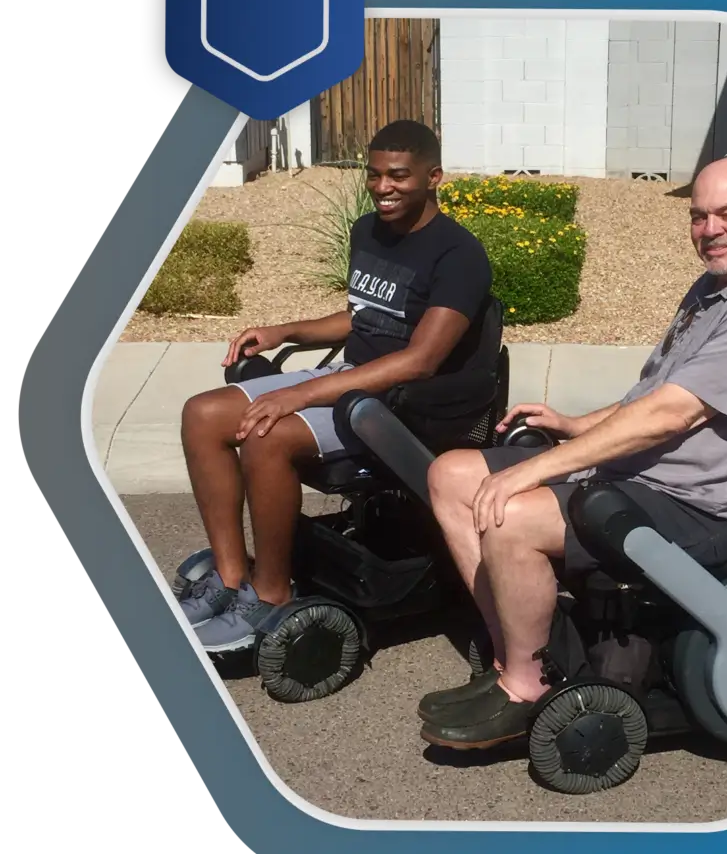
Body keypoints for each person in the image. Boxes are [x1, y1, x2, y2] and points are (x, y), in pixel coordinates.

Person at [418, 155, 727, 751]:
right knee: (451, 474)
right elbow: (655, 396)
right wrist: (574, 425)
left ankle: (524, 688)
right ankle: (516, 656)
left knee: (509, 516)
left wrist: (538, 467)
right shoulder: (720, 286)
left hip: (709, 508)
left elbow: (674, 413)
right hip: (652, 475)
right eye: (698, 216)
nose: (709, 229)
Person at [177, 120, 493, 652]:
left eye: (398, 176)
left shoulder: (459, 256)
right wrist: (285, 331)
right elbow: (362, 316)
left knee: (266, 433)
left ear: (433, 177)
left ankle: (272, 594)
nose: (383, 187)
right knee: (202, 414)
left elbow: (419, 360)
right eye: (374, 175)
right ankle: (231, 580)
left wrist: (297, 394)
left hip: (395, 407)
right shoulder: (368, 231)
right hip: (347, 382)